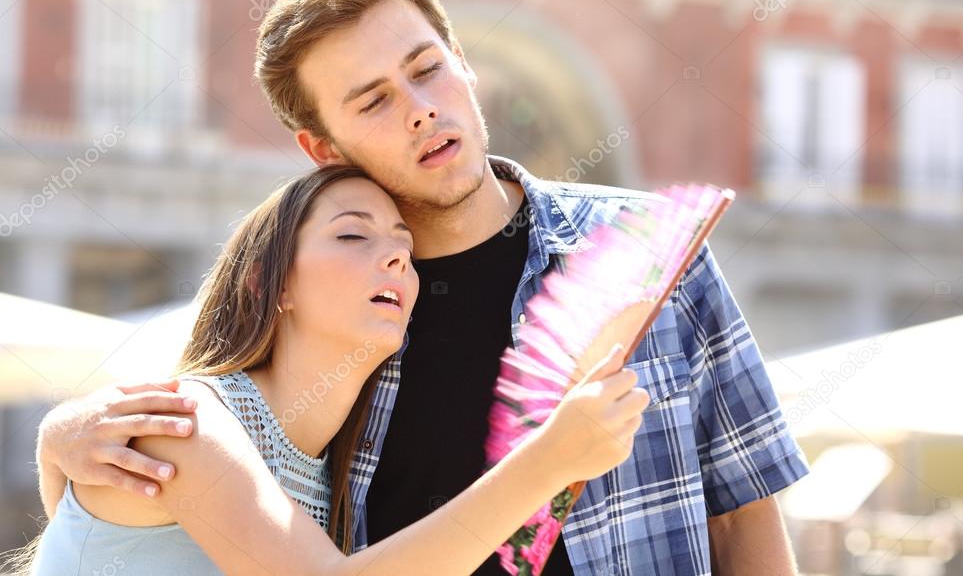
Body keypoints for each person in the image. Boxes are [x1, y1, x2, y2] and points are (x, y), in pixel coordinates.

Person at [35, 0, 810, 574]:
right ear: (320, 147)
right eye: (373, 100)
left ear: (463, 60)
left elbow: (746, 516)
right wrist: (65, 439)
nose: (421, 110)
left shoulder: (650, 255)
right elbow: (190, 458)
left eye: (426, 68)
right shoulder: (339, 320)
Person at [20, 164, 648, 575]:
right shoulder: (184, 424)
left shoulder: (340, 481)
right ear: (272, 282)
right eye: (355, 237)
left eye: (405, 247)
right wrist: (550, 462)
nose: (398, 259)